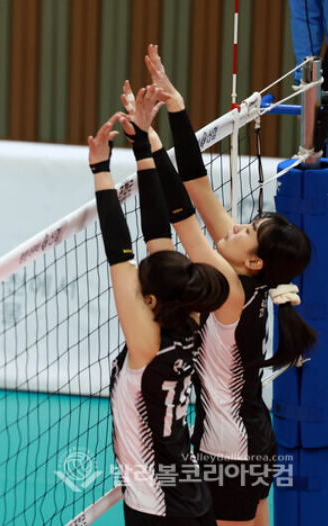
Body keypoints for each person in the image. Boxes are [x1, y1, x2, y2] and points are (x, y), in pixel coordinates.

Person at [143, 44, 317, 526]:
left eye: (247, 231)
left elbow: (184, 220)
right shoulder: (245, 272)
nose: (236, 226)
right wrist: (176, 108)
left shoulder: (230, 289)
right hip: (250, 438)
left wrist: (151, 146)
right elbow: (198, 186)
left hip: (231, 452)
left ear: (255, 260)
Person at [91, 86, 229, 525]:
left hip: (160, 508)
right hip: (188, 494)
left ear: (150, 300)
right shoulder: (190, 316)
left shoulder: (146, 345)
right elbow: (155, 235)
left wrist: (100, 168)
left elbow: (120, 255)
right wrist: (141, 147)